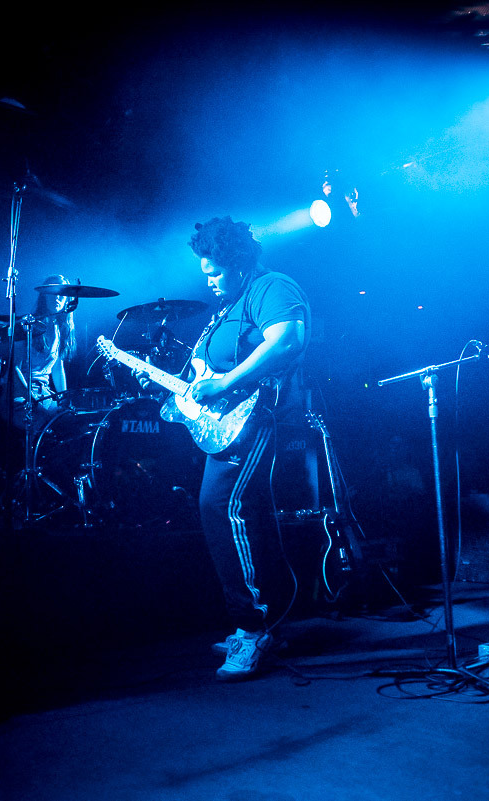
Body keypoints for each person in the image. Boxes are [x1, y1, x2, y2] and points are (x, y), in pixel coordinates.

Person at [159, 216, 310, 681]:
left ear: (240, 263)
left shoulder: (272, 286)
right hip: (227, 424)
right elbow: (207, 374)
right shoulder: (227, 307)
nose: (209, 279)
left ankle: (251, 626)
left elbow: (287, 341)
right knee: (253, 516)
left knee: (218, 506)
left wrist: (225, 383)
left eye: (216, 271)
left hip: (255, 420)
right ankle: (269, 622)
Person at [9, 274, 77, 432]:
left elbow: (58, 368)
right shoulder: (27, 325)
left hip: (43, 392)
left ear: (67, 300)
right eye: (53, 293)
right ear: (44, 295)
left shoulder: (60, 329)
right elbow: (14, 369)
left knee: (74, 421)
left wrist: (64, 399)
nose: (57, 298)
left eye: (62, 294)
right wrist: (32, 400)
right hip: (20, 393)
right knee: (42, 425)